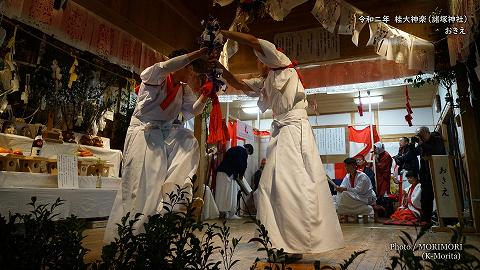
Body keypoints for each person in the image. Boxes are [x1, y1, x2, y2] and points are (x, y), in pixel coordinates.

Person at [217, 30, 344, 257]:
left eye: (260, 59)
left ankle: (297, 244)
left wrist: (224, 33)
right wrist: (217, 70)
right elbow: (238, 83)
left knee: (291, 187)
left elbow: (254, 40)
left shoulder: (282, 63)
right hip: (282, 132)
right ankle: (281, 241)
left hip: (294, 131)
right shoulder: (266, 80)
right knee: (268, 188)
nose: (258, 61)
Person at [104, 48, 210, 243]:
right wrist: (199, 53)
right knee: (139, 185)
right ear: (182, 65)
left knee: (185, 143)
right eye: (190, 68)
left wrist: (205, 95)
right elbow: (167, 66)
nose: (191, 74)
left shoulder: (182, 89)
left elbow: (192, 111)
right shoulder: (157, 76)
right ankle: (130, 236)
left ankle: (152, 230)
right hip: (142, 135)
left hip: (160, 137)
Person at [414, 126, 446, 224]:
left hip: (438, 173)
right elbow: (414, 153)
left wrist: (422, 144)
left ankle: (446, 219)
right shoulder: (421, 143)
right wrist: (412, 144)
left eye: (420, 134)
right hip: (425, 174)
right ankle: (425, 219)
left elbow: (437, 151)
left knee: (441, 196)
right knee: (425, 197)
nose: (419, 137)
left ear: (426, 133)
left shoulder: (437, 140)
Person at [214, 144, 254, 219]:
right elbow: (242, 165)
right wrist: (241, 175)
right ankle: (227, 214)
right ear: (248, 150)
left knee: (221, 194)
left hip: (221, 173)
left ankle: (220, 212)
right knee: (228, 194)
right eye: (248, 154)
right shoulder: (243, 151)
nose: (247, 155)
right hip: (227, 175)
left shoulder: (234, 148)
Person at [335, 158, 377, 222]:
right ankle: (343, 214)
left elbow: (359, 190)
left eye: (348, 166)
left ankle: (344, 214)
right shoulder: (347, 176)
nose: (346, 168)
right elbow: (343, 186)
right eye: (346, 166)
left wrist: (344, 189)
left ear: (354, 166)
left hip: (365, 197)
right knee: (335, 196)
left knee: (344, 194)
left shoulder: (362, 176)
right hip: (355, 196)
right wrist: (339, 188)